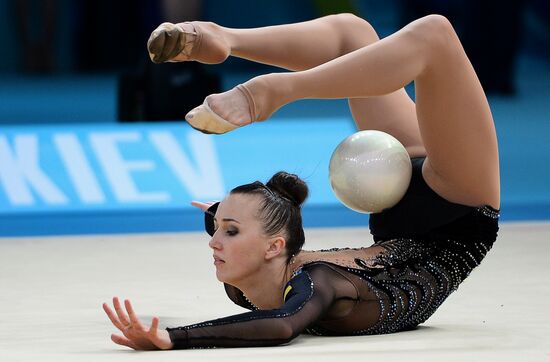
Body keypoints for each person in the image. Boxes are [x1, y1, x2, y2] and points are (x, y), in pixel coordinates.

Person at [103, 13, 500, 350]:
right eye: (225, 230)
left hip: (395, 202)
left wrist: (217, 216)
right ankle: (276, 88)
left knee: (353, 33)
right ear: (275, 247)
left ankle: (226, 39)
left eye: (226, 231)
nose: (213, 241)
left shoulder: (244, 288)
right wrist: (175, 338)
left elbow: (270, 290)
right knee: (434, 35)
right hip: (459, 211)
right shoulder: (317, 283)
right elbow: (281, 325)